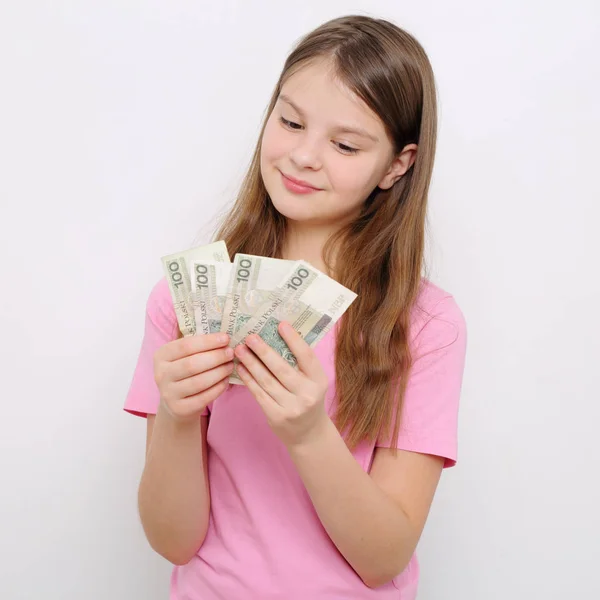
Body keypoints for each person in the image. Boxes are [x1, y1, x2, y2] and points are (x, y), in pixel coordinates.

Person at [124, 14, 467, 600]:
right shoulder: (189, 300)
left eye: (344, 144)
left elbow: (384, 558)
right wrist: (178, 420)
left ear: (397, 165)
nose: (304, 156)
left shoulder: (425, 325)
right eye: (289, 121)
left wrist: (309, 434)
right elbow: (173, 541)